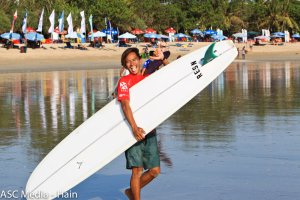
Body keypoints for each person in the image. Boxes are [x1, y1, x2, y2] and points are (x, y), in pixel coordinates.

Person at [117, 48, 160, 200]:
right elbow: (125, 105)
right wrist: (134, 128)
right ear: (125, 66)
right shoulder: (123, 82)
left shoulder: (147, 77)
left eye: (134, 59)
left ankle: (131, 192)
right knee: (137, 171)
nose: (132, 64)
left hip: (150, 128)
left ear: (139, 60)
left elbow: (171, 77)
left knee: (155, 170)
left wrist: (163, 58)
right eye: (127, 62)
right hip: (133, 130)